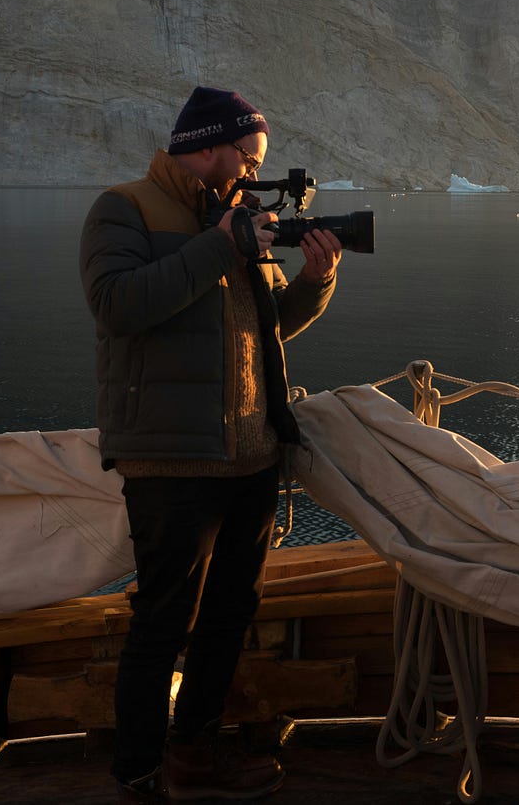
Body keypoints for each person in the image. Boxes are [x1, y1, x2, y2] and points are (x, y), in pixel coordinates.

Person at [79, 86, 342, 801]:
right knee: (162, 622)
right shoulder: (124, 208)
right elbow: (119, 307)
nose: (258, 173)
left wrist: (317, 281)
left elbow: (267, 330)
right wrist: (221, 244)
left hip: (251, 456)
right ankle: (138, 772)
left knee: (230, 615)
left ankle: (193, 757)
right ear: (209, 146)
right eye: (250, 157)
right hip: (171, 460)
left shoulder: (243, 223)